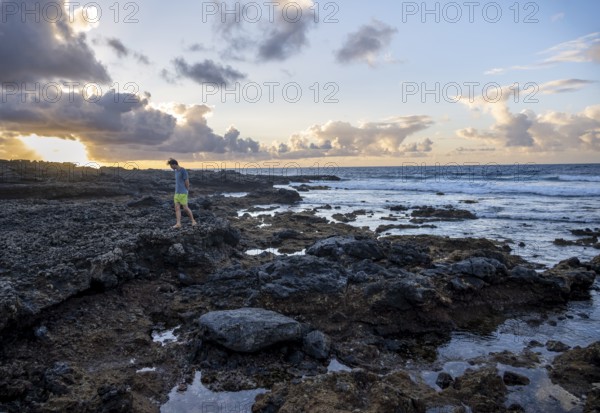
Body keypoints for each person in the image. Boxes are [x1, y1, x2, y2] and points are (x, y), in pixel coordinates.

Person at [167, 158, 197, 228]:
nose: (171, 167)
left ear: (174, 164)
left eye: (171, 166)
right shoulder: (176, 171)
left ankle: (193, 221)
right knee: (177, 208)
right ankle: (178, 224)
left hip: (183, 192)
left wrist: (187, 190)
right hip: (177, 193)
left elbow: (187, 181)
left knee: (185, 208)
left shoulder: (183, 170)